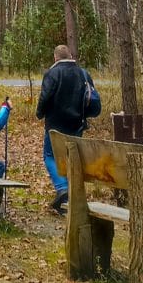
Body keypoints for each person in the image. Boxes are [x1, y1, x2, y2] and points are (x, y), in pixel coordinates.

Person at [37, 44, 98, 214]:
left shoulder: (52, 73)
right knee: (71, 157)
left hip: (55, 124)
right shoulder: (83, 73)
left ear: (55, 58)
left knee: (49, 155)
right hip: (76, 124)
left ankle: (63, 188)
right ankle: (70, 195)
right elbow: (90, 96)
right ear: (70, 55)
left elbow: (45, 95)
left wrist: (40, 113)